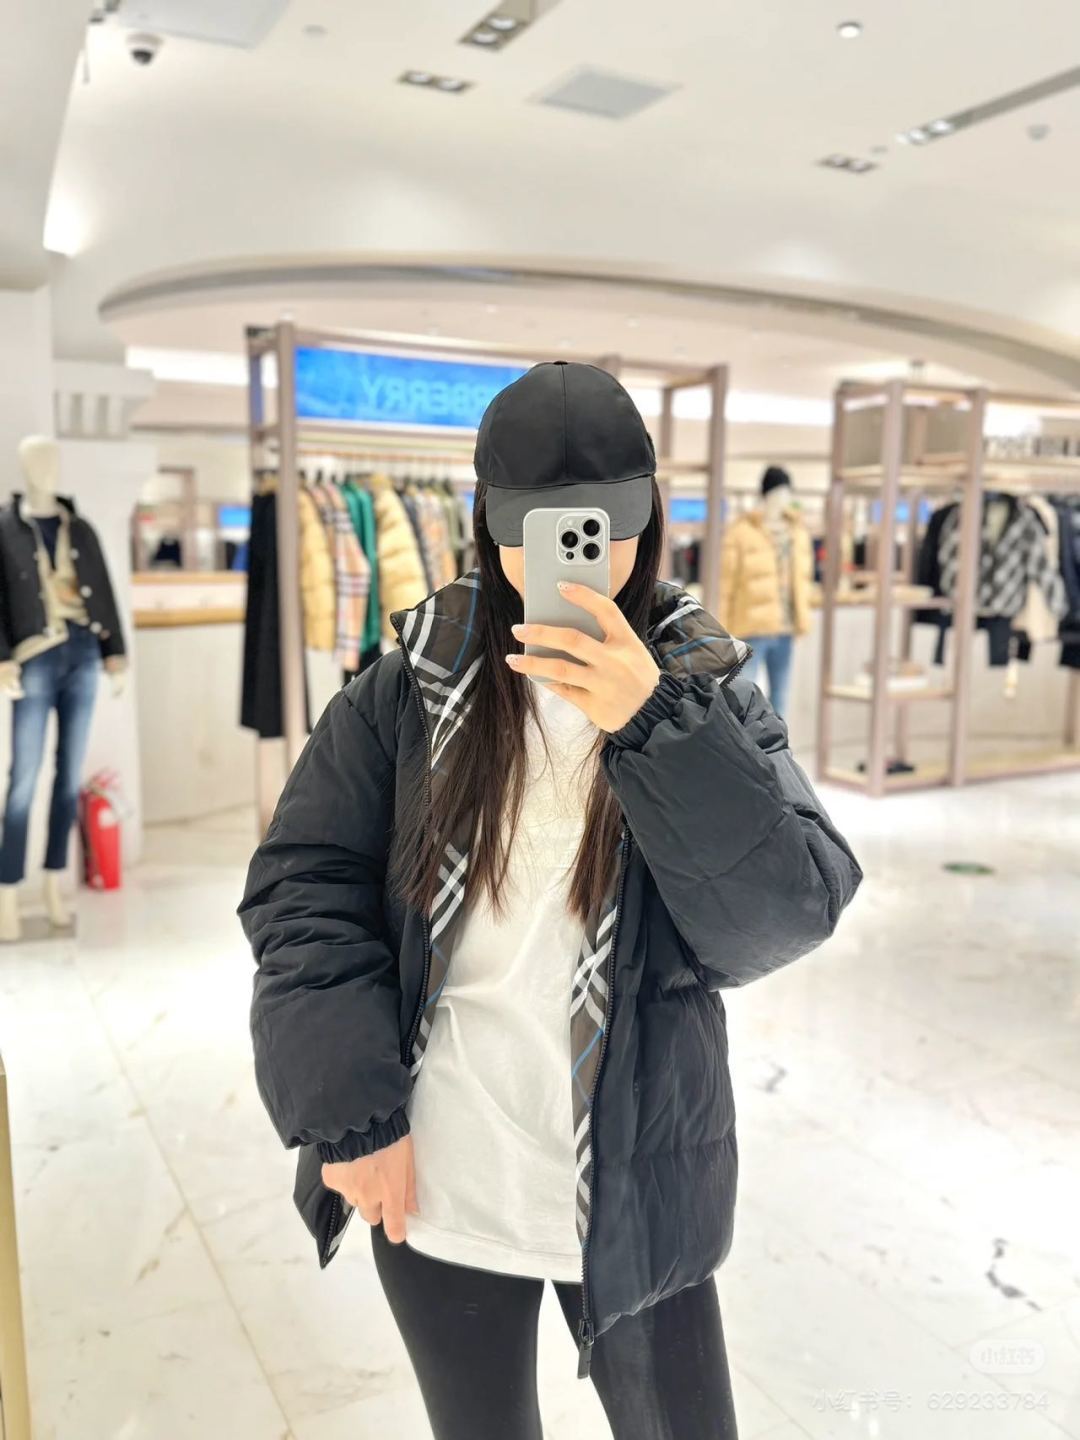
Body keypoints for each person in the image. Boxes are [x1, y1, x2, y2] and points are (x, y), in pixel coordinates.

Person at [238, 362, 863, 1440]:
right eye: (541, 526)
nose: (579, 552)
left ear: (648, 518)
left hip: (638, 1175)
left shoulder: (704, 686)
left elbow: (781, 916)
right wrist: (350, 1114)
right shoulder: (410, 686)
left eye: (605, 523)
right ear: (490, 524)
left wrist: (656, 723)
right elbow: (305, 886)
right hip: (437, 1172)